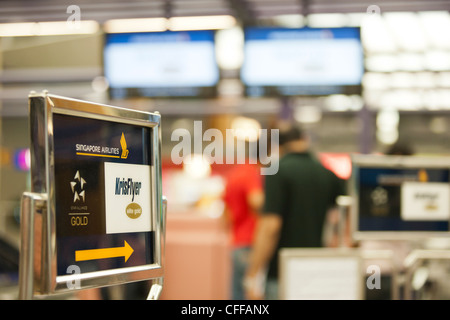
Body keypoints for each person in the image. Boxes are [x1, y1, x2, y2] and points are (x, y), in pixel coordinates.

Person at [244, 126, 346, 300]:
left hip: (283, 271)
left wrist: (253, 275)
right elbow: (345, 216)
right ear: (304, 139)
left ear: (278, 146)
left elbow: (271, 225)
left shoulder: (277, 171)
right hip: (318, 268)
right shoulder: (326, 173)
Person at [223, 147, 264, 300]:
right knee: (252, 291)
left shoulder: (234, 174)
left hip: (237, 242)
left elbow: (226, 216)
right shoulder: (251, 173)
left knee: (237, 294)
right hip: (251, 242)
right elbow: (256, 201)